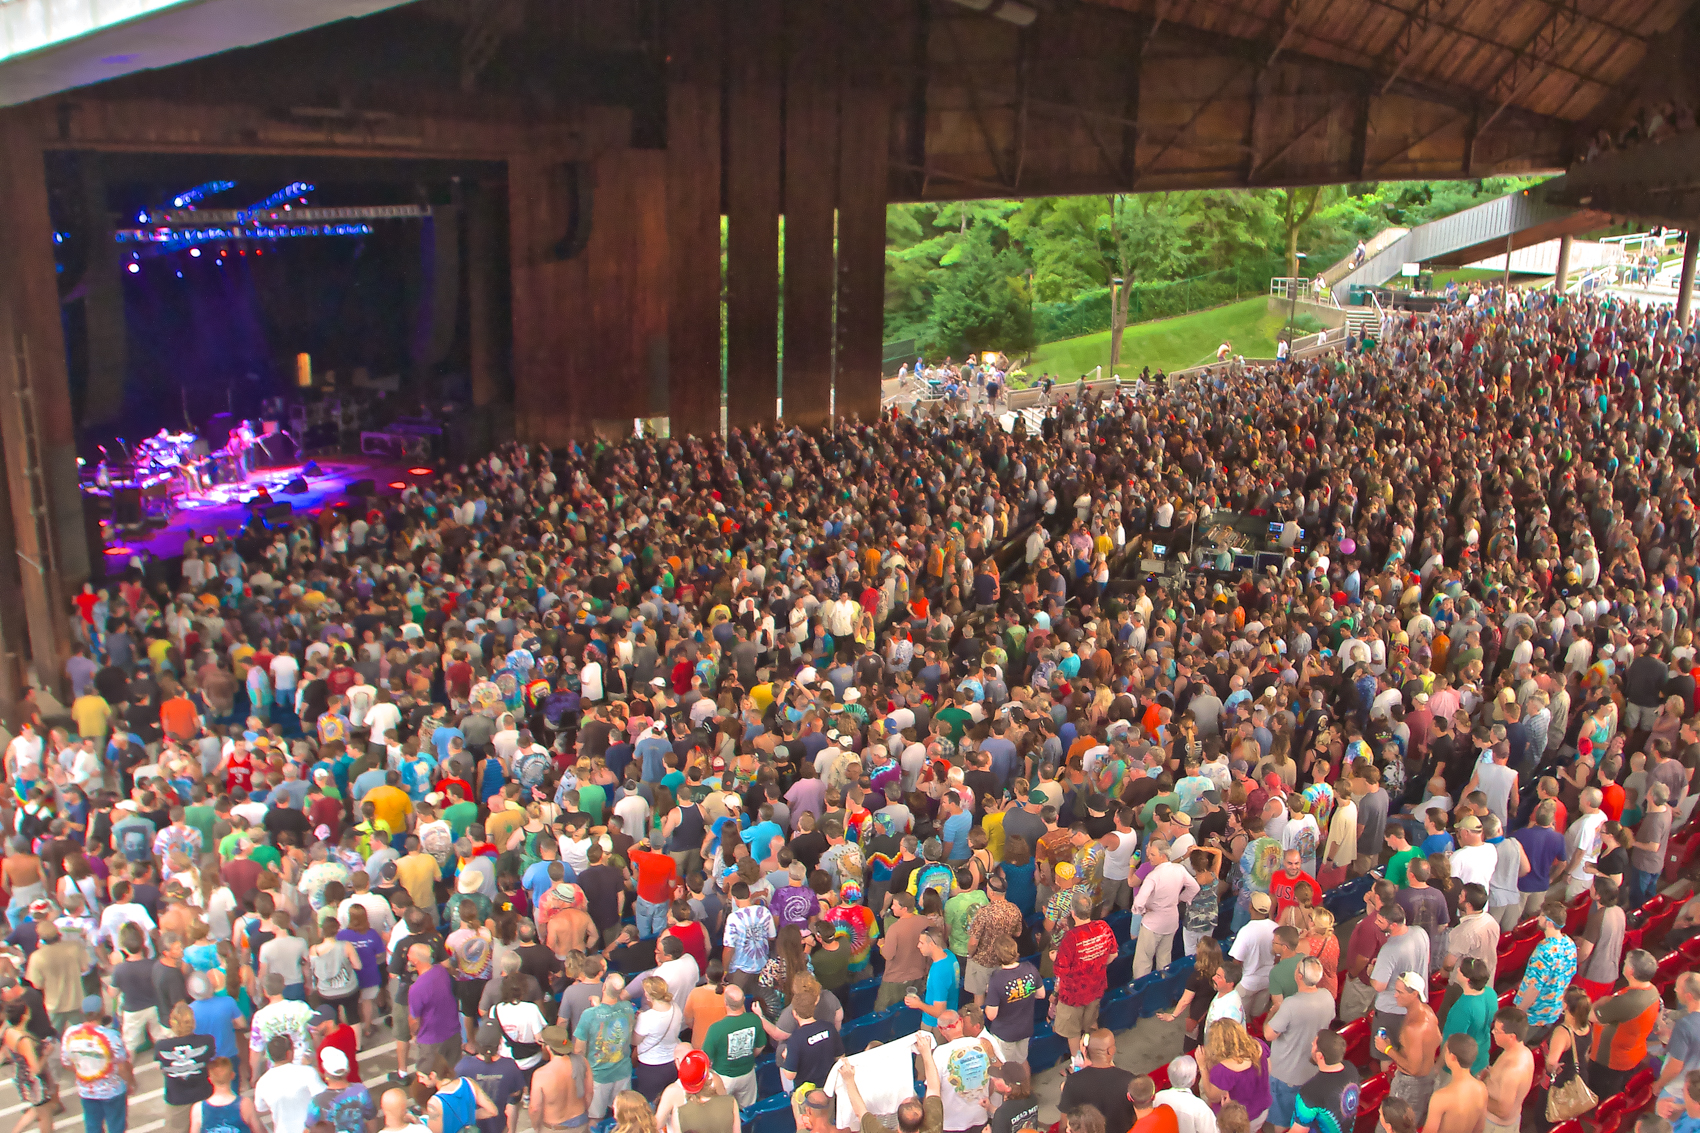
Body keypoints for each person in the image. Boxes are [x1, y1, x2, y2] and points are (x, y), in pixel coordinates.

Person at [1589, 949, 1664, 1099]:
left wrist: (1599, 1002)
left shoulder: (1627, 1002)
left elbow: (1592, 1016)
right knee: (1617, 1086)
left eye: (1626, 963)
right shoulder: (1651, 990)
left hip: (1610, 1061)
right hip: (1632, 1054)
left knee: (1601, 1093)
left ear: (1631, 970)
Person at [61, 996, 134, 1133]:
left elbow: (66, 1063)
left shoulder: (70, 1034)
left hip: (86, 1090)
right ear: (102, 1010)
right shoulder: (111, 1036)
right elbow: (122, 1065)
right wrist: (130, 1083)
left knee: (92, 1125)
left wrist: (84, 1071)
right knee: (116, 1126)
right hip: (112, 1090)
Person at [1376, 973, 1439, 1127]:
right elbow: (1438, 1039)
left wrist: (1387, 1049)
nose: (1395, 995)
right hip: (1428, 1077)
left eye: (1400, 992)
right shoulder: (1428, 1011)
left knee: (1390, 1125)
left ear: (1415, 994)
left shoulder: (1413, 1028)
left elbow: (1413, 1068)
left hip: (1410, 1085)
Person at [574, 973, 636, 1120]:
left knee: (595, 1118)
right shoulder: (628, 1008)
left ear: (603, 987)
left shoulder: (589, 1015)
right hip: (623, 1071)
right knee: (621, 1116)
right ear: (621, 991)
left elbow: (578, 1050)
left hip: (599, 1076)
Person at [1060, 1030, 1135, 1133]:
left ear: (1086, 1051)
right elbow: (1136, 1117)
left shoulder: (1073, 1081)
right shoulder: (1129, 1080)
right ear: (1110, 1051)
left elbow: (1064, 1125)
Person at [157, 1002, 215, 1133]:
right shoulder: (206, 1041)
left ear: (172, 1022)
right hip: (203, 1095)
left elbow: (160, 1065)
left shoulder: (162, 1046)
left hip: (177, 1099)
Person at [252, 1035, 325, 1133]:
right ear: (289, 1053)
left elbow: (261, 1108)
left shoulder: (262, 1082)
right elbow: (323, 1097)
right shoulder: (307, 1072)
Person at [1290, 1032, 1359, 1133]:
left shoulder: (1310, 1091)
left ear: (1320, 1056)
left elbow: (1298, 1131)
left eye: (1313, 1045)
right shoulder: (1351, 1068)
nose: (1311, 1045)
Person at [529, 1026, 591, 1133]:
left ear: (547, 1047)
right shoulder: (583, 1062)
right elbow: (589, 1093)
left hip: (554, 1128)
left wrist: (536, 1127)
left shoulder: (541, 1074)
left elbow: (535, 1108)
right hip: (581, 1123)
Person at [1421, 1036, 1487, 1133]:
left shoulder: (1441, 1097)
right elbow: (1479, 1128)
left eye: (1446, 1051)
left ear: (1452, 1057)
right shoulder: (1481, 1089)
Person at [1483, 1009, 1534, 1133]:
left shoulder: (1512, 1070)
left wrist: (1478, 1092)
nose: (1493, 1032)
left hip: (1495, 1127)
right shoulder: (1523, 1051)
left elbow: (1503, 1111)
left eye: (1497, 1031)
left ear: (1512, 1036)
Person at [189, 1058, 262, 1133]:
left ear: (210, 1079)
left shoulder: (198, 1108)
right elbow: (258, 1130)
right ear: (232, 1075)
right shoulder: (245, 1104)